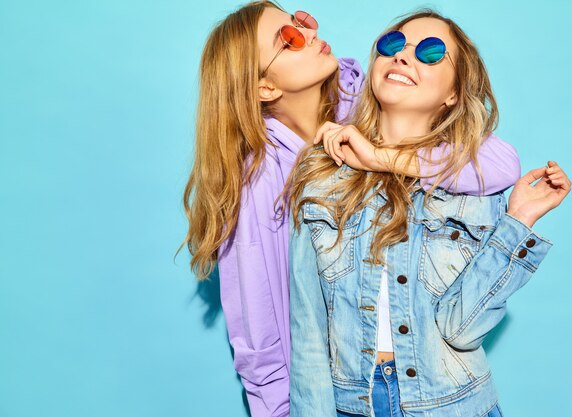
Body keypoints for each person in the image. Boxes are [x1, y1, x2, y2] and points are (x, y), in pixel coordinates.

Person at [182, 2, 520, 416]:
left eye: (299, 21)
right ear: (264, 87)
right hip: (336, 388)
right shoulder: (263, 183)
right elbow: (264, 332)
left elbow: (500, 165)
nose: (307, 32)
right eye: (288, 39)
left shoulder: (365, 104)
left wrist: (379, 158)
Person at [288, 9, 571, 417]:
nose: (403, 56)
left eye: (430, 52)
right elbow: (309, 331)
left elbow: (463, 328)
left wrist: (518, 222)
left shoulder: (476, 184)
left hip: (455, 405)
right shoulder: (322, 176)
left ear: (453, 93)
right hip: (354, 406)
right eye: (392, 45)